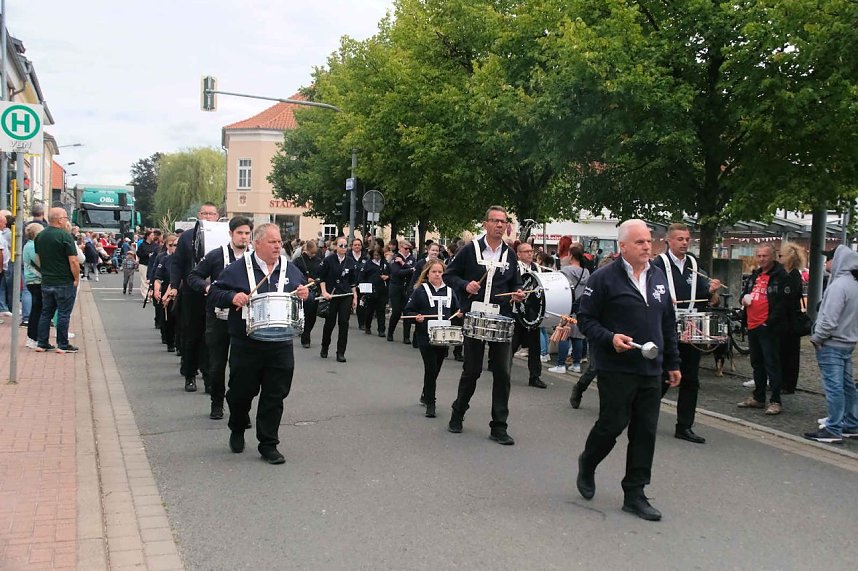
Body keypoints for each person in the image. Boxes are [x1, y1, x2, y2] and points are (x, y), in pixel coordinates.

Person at [575, 219, 680, 521]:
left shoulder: (658, 277)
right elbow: (585, 319)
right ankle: (588, 462)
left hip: (651, 368)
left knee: (645, 431)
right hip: (616, 367)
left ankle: (635, 493)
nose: (647, 246)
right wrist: (610, 338)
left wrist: (673, 363)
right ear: (623, 246)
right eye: (640, 242)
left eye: (649, 241)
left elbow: (667, 323)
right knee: (612, 424)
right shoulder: (603, 278)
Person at [208, 223, 310, 464]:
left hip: (280, 342)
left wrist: (307, 295)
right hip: (247, 342)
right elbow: (214, 293)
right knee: (241, 393)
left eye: (279, 241)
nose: (277, 246)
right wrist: (232, 296)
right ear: (257, 244)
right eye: (272, 242)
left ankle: (268, 444)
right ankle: (237, 426)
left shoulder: (289, 268)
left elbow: (305, 292)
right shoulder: (237, 269)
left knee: (275, 395)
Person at [443, 206, 525, 445]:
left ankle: (499, 426)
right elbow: (449, 275)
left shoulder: (510, 254)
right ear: (485, 224)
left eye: (503, 221)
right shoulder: (470, 250)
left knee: (503, 373)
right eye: (495, 221)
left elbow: (516, 282)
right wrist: (465, 285)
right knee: (472, 370)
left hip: (501, 319)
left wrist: (518, 292)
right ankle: (458, 412)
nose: (499, 225)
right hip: (475, 316)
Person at [651, 223, 721, 444]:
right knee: (663, 376)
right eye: (680, 239)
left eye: (687, 239)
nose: (684, 243)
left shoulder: (693, 264)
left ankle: (684, 426)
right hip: (666, 327)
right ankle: (643, 416)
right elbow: (647, 291)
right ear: (669, 241)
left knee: (691, 378)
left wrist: (711, 291)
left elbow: (705, 295)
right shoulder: (658, 264)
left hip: (691, 325)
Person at [187, 216, 253, 420]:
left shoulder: (254, 257)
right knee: (217, 365)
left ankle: (240, 410)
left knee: (241, 368)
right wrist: (207, 287)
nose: (244, 237)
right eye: (240, 233)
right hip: (218, 318)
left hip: (244, 319)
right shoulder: (216, 255)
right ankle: (216, 403)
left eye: (247, 233)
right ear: (231, 234)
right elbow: (193, 276)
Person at [163, 203, 220, 392]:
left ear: (217, 216)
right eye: (205, 213)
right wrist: (173, 286)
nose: (208, 217)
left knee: (212, 337)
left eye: (211, 214)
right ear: (198, 215)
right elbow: (177, 263)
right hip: (191, 291)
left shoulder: (223, 235)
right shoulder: (187, 237)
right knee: (191, 335)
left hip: (216, 293)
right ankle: (190, 374)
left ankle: (209, 376)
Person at [804, 246, 858, 443]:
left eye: (829, 258)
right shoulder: (854, 284)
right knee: (847, 386)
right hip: (848, 341)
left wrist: (817, 337)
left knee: (834, 387)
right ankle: (852, 423)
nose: (826, 262)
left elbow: (829, 318)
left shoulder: (838, 286)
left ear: (838, 261)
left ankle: (833, 428)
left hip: (832, 343)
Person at [737, 244, 789, 415]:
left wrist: (769, 322)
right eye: (759, 256)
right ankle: (758, 397)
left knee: (772, 363)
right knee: (757, 363)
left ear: (772, 256)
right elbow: (744, 293)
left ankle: (775, 400)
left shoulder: (781, 276)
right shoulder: (755, 275)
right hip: (753, 324)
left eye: (765, 256)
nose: (761, 259)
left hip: (768, 326)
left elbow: (783, 303)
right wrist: (743, 299)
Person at [404, 259, 460, 418]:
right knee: (431, 367)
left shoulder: (450, 291)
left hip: (444, 336)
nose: (437, 274)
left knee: (436, 368)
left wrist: (459, 314)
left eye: (440, 272)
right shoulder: (420, 291)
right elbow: (408, 311)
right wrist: (416, 317)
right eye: (434, 272)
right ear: (427, 273)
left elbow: (456, 310)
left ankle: (425, 393)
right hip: (425, 335)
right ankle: (431, 402)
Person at [34, 208, 80, 353]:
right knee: (63, 313)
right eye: (65, 218)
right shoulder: (65, 236)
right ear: (60, 220)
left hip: (47, 280)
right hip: (64, 281)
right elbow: (73, 260)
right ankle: (62, 344)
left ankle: (42, 343)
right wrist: (76, 278)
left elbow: (38, 258)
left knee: (46, 312)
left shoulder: (40, 236)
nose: (66, 220)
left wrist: (45, 271)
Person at [510, 242, 547, 388]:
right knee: (512, 345)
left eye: (531, 251)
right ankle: (504, 372)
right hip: (517, 312)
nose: (530, 253)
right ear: (518, 254)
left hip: (532, 313)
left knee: (534, 346)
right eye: (526, 251)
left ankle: (535, 376)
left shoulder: (537, 268)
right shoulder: (515, 267)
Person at [549, 246, 590, 375]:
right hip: (580, 307)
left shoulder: (566, 270)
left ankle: (561, 364)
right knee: (578, 337)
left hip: (567, 304)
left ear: (571, 256)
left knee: (564, 335)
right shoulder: (586, 272)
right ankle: (576, 364)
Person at [318, 237, 358, 362]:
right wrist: (324, 292)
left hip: (345, 295)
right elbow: (322, 278)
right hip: (332, 295)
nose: (343, 248)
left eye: (345, 246)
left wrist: (355, 297)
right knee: (330, 323)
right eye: (341, 245)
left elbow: (352, 282)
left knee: (344, 323)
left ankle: (340, 352)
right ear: (336, 246)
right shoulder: (328, 260)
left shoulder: (350, 262)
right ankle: (325, 347)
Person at [778, 241, 807, 394]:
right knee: (785, 352)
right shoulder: (789, 274)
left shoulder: (793, 275)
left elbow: (787, 298)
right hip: (786, 320)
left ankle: (788, 384)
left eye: (781, 255)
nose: (779, 258)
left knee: (790, 354)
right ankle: (784, 382)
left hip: (789, 321)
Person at [293, 239, 323, 348]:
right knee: (305, 314)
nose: (313, 255)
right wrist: (306, 279)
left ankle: (307, 331)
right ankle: (306, 338)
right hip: (303, 290)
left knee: (313, 316)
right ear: (307, 250)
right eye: (312, 253)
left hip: (315, 290)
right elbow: (294, 275)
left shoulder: (318, 261)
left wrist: (318, 281)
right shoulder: (298, 260)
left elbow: (322, 273)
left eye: (315, 253)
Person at [387, 240, 416, 344]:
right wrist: (410, 269)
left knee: (407, 312)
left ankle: (406, 337)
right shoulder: (395, 258)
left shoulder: (411, 259)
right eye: (405, 248)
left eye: (409, 249)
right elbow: (397, 272)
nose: (407, 251)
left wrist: (404, 264)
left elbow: (415, 271)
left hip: (407, 288)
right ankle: (390, 333)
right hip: (396, 287)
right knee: (396, 312)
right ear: (400, 248)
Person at [153, 236, 178, 352]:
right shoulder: (164, 259)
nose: (174, 248)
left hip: (179, 293)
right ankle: (170, 341)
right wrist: (156, 290)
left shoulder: (185, 261)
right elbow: (158, 277)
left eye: (176, 245)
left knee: (181, 321)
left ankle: (179, 344)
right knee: (168, 320)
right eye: (171, 245)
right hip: (166, 293)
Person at [358, 246, 390, 336]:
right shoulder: (368, 264)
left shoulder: (384, 263)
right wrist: (363, 287)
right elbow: (362, 276)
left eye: (378, 255)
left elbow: (390, 273)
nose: (376, 257)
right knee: (370, 310)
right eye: (375, 255)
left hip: (382, 290)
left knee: (381, 310)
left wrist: (387, 277)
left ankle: (381, 330)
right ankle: (367, 327)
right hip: (371, 290)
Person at [22, 223, 45, 347]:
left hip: (32, 280)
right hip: (36, 280)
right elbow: (39, 262)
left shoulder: (29, 245)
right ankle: (33, 337)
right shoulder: (32, 246)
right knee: (37, 309)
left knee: (37, 309)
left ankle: (33, 337)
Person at [349, 238, 368, 329]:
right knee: (348, 303)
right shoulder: (348, 257)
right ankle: (345, 322)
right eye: (355, 245)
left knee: (361, 304)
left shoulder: (365, 257)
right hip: (349, 284)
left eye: (359, 245)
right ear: (352, 246)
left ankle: (362, 323)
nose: (357, 246)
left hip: (362, 284)